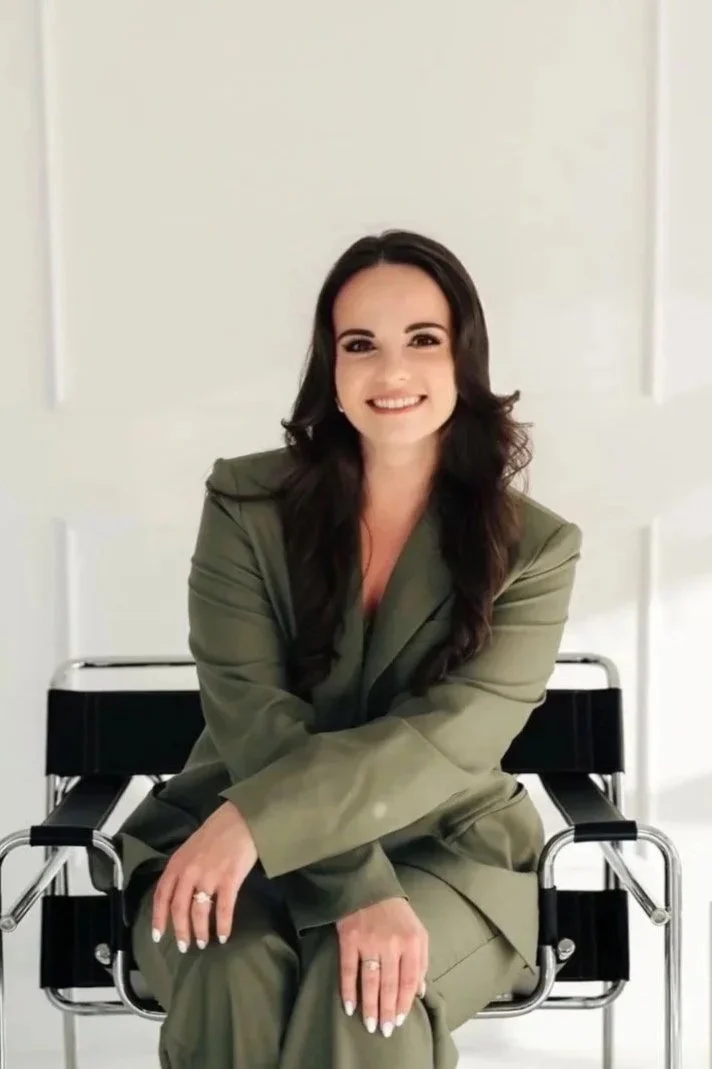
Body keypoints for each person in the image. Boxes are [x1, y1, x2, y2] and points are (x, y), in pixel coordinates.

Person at [115, 229, 582, 1068]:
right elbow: (250, 714)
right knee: (231, 965)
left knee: (365, 985)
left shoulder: (535, 549)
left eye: (423, 341)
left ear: (463, 360)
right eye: (359, 344)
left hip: (445, 853)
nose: (391, 371)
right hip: (232, 831)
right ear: (330, 367)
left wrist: (309, 855)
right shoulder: (245, 504)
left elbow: (444, 743)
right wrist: (353, 882)